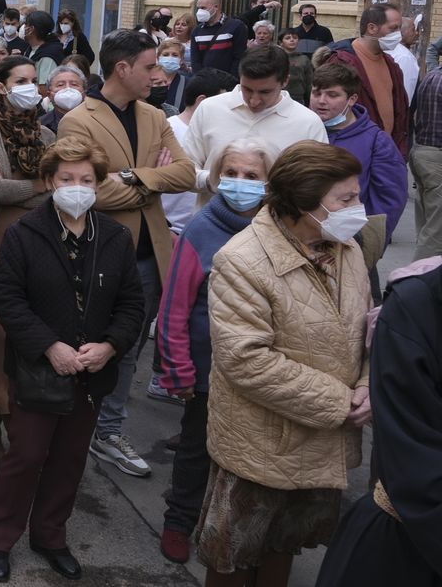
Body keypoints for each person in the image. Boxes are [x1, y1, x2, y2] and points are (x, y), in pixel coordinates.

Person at [196, 141, 371, 587]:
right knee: (234, 556)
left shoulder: (346, 248)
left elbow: (367, 328)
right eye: (346, 199)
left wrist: (370, 383)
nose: (358, 207)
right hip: (264, 439)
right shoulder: (242, 261)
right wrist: (343, 401)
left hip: (320, 434)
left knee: (284, 547)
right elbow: (247, 360)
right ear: (304, 203)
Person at [0, 136, 145, 584]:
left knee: (70, 458)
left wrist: (110, 345)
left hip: (91, 373)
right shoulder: (24, 233)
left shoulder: (114, 237)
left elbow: (132, 303)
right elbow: (8, 299)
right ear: (50, 181)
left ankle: (50, 536)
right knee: (27, 455)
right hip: (38, 368)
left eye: (86, 179)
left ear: (98, 185)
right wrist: (50, 346)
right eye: (67, 178)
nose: (76, 187)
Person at [58, 29, 195, 479]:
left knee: (130, 347)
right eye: (151, 66)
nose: (159, 74)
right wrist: (147, 182)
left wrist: (131, 178)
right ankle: (71, 425)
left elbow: (185, 173)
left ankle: (108, 430)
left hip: (149, 255)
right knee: (86, 343)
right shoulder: (79, 120)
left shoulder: (157, 116)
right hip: (99, 251)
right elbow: (86, 191)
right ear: (123, 69)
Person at [154, 138, 276, 565]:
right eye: (232, 174)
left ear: (269, 181)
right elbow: (175, 307)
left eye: (252, 176)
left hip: (262, 369)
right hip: (208, 370)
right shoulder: (201, 228)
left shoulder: (279, 230)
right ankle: (178, 522)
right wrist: (178, 370)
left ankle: (232, 528)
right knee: (195, 449)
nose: (240, 183)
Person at [313, 256, 442, 586]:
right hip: (404, 548)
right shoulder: (417, 307)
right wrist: (348, 394)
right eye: (344, 199)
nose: (352, 207)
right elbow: (416, 465)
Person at [0, 56, 56, 459]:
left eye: (35, 81)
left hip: (34, 242)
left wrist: (32, 186)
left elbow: (61, 186)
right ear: (1, 87)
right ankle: (2, 416)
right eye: (22, 80)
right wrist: (40, 184)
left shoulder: (48, 135)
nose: (31, 88)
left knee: (21, 335)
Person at [182, 46, 327, 197]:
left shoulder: (308, 123)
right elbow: (184, 167)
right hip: (212, 216)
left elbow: (318, 184)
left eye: (265, 92)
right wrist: (212, 181)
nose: (254, 101)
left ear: (285, 82)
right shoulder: (210, 108)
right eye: (247, 89)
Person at [311, 63, 405, 243]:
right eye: (316, 93)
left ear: (352, 99)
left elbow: (389, 202)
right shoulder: (302, 128)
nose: (321, 100)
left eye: (332, 95)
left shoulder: (376, 141)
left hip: (350, 242)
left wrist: (366, 243)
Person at [322, 2, 410, 156]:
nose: (399, 34)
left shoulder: (391, 64)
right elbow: (328, 110)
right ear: (371, 28)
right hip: (353, 154)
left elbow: (400, 109)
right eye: (393, 28)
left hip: (386, 152)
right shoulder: (342, 62)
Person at [163, 69, 239, 238]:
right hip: (169, 230)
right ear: (202, 101)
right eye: (225, 101)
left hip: (203, 229)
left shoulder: (221, 134)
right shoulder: (166, 131)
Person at [410, 61, 442, 260]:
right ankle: (417, 278)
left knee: (426, 225)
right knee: (435, 232)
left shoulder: (432, 76)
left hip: (422, 151)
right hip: (436, 157)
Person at [191, 0, 251, 75]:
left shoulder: (236, 26)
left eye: (203, 8)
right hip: (204, 82)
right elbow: (195, 60)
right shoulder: (197, 31)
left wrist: (231, 81)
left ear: (216, 7)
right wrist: (200, 79)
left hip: (228, 81)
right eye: (198, 8)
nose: (199, 12)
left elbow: (239, 57)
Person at [37, 65, 87, 133]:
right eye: (60, 85)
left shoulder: (96, 122)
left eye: (74, 84)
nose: (68, 88)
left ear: (84, 92)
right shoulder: (40, 125)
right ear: (49, 95)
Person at [21, 12, 65, 86]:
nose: (23, 28)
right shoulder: (30, 49)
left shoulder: (48, 56)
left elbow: (44, 88)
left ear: (31, 29)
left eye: (25, 25)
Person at [279, 31, 313, 104]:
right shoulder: (276, 57)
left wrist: (310, 99)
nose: (292, 40)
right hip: (279, 96)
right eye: (288, 38)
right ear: (281, 42)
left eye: (295, 38)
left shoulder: (304, 59)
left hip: (298, 97)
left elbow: (309, 81)